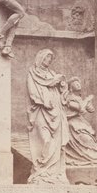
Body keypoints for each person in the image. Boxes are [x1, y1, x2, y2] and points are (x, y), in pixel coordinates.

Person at [26, 49, 69, 184]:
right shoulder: (32, 73)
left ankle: (54, 174)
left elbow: (61, 93)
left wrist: (63, 87)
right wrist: (44, 101)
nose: (49, 60)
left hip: (56, 113)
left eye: (51, 58)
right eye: (47, 57)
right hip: (41, 111)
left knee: (57, 143)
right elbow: (32, 92)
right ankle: (40, 171)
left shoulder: (52, 74)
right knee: (46, 140)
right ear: (41, 58)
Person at [64, 77, 97, 167]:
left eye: (79, 83)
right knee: (85, 138)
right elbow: (79, 108)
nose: (78, 84)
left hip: (81, 122)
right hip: (72, 123)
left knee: (89, 138)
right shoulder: (69, 98)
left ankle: (92, 157)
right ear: (71, 88)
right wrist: (87, 100)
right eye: (76, 84)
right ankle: (87, 158)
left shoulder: (80, 98)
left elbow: (90, 110)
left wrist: (89, 106)